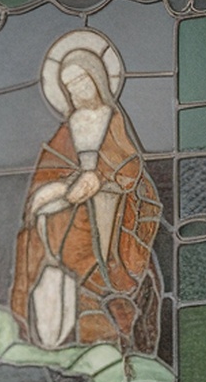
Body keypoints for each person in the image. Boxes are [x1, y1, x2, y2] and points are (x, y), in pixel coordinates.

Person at [10, 34, 162, 356]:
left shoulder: (114, 119)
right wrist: (52, 191)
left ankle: (107, 313)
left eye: (81, 81)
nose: (77, 91)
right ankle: (48, 322)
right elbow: (49, 171)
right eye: (70, 86)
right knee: (42, 224)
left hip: (113, 206)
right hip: (72, 201)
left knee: (85, 237)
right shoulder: (69, 126)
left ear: (97, 78)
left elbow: (131, 168)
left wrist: (101, 179)